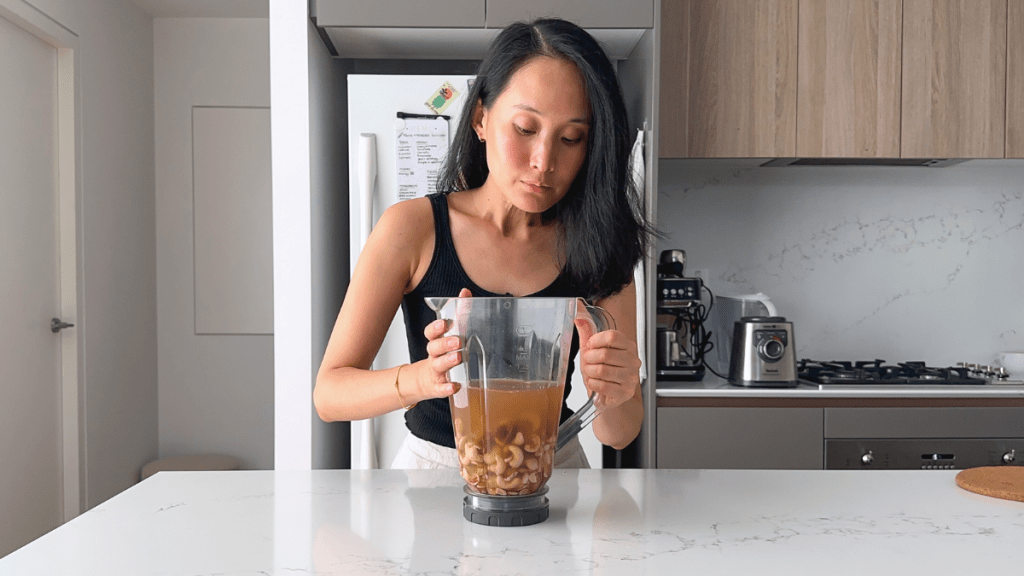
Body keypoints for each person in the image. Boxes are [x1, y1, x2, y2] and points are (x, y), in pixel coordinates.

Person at [314, 17, 652, 469]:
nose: (543, 161)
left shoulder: (600, 243)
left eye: (572, 138)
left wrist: (614, 388)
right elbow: (330, 394)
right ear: (480, 119)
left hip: (552, 472)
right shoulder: (412, 229)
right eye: (526, 129)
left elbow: (621, 431)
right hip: (432, 474)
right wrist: (421, 378)